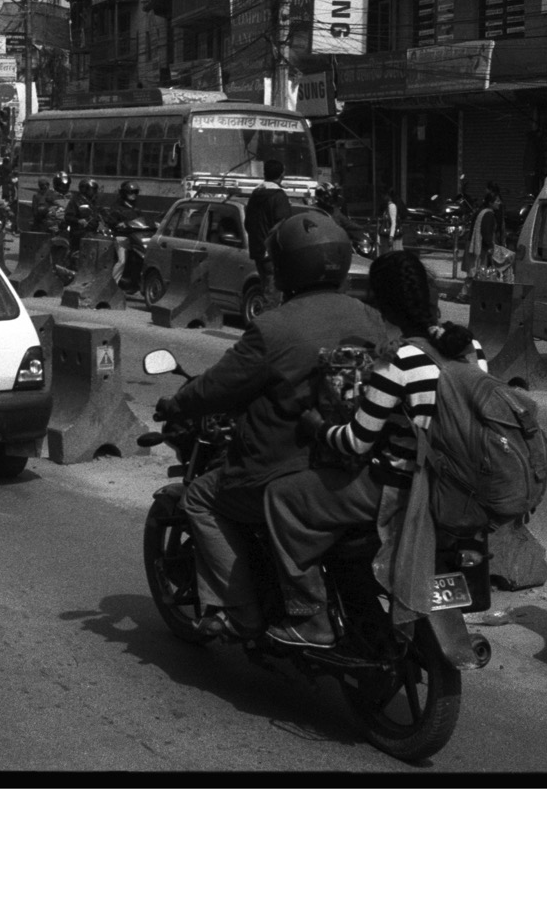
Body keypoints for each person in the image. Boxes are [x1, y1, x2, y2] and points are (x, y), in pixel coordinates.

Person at [152, 212, 390, 639]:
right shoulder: (370, 318)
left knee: (201, 498)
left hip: (281, 470)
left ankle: (242, 613)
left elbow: (219, 386)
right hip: (351, 465)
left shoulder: (273, 327)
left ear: (286, 266)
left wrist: (175, 404)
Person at [259, 252, 482, 647]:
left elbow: (356, 441)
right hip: (460, 491)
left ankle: (311, 616)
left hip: (399, 491)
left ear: (381, 306)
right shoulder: (470, 349)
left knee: (280, 497)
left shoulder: (399, 360)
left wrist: (318, 427)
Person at [243, 158, 293, 284]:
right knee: (274, 289)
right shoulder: (278, 196)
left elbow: (248, 224)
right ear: (281, 175)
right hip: (272, 255)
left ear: (265, 174)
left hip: (258, 252)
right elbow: (284, 224)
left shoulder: (255, 194)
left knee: (265, 286)